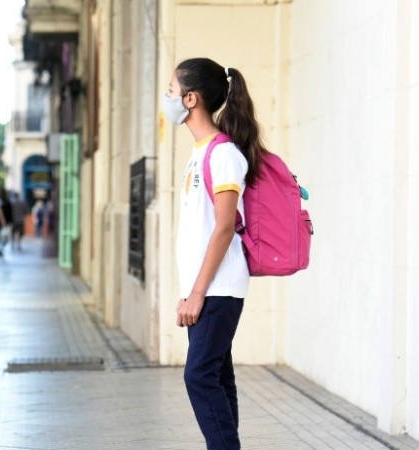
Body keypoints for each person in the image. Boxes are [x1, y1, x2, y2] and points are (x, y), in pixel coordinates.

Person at [165, 58, 265, 449]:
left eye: (171, 91)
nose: (168, 98)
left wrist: (197, 292)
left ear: (191, 99)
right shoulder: (200, 151)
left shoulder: (223, 154)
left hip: (217, 288)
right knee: (217, 377)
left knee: (199, 376)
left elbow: (225, 226)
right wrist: (192, 289)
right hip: (207, 287)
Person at [0, 188, 13, 257]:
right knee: (2, 235)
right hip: (2, 221)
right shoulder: (0, 202)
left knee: (2, 235)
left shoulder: (6, 202)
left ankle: (0, 248)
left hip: (2, 221)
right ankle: (0, 248)